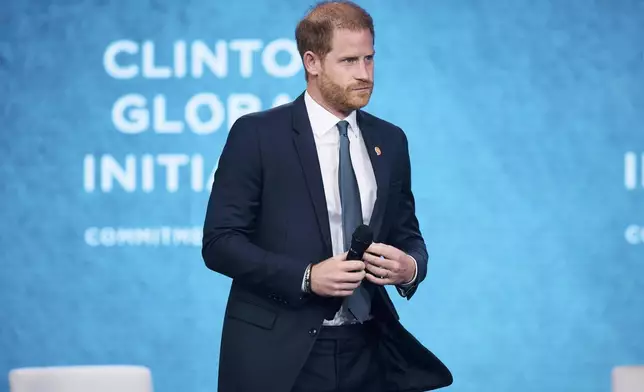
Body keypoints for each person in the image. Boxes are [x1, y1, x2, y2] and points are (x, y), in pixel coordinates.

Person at [201, 1, 453, 391]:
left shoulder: (390, 140)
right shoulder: (258, 136)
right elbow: (220, 243)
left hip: (369, 350)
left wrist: (411, 268)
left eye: (370, 59)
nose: (364, 74)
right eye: (349, 61)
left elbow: (407, 233)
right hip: (279, 354)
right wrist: (306, 277)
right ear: (312, 62)